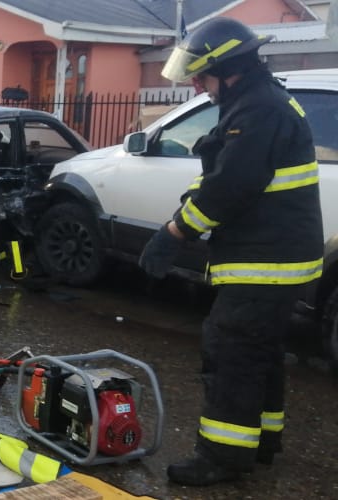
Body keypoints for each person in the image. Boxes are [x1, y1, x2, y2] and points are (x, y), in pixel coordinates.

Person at [141, 17, 323, 486]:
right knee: (259, 353)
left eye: (202, 75)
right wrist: (184, 214)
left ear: (228, 68)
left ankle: (222, 457)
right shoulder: (253, 104)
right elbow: (218, 174)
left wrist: (175, 233)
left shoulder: (259, 111)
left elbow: (230, 188)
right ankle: (261, 441)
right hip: (274, 258)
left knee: (232, 354)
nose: (198, 84)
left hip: (264, 262)